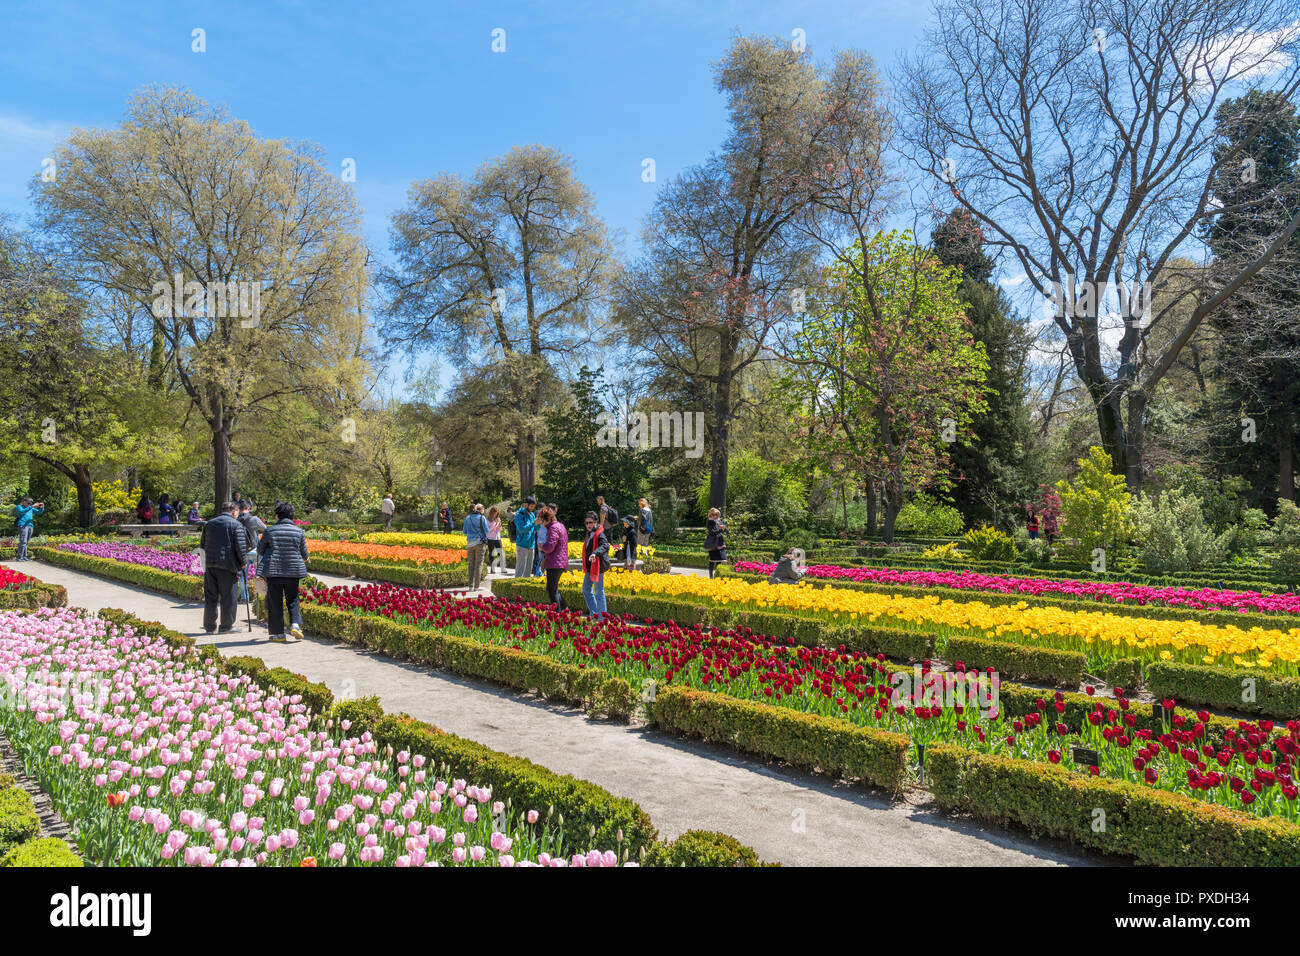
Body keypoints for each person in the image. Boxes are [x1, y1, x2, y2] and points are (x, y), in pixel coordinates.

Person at [257, 501, 310, 643]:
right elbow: (304, 551)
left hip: (274, 571)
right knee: (293, 599)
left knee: (275, 601)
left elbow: (260, 549)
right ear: (292, 516)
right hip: (293, 571)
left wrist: (269, 549)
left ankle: (278, 634)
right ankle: (295, 625)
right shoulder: (298, 531)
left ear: (277, 516)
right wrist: (306, 557)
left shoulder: (270, 531)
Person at [199, 501, 248, 634]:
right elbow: (240, 547)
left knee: (210, 597)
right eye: (237, 512)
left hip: (210, 565)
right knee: (228, 597)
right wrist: (243, 562)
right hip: (227, 565)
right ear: (234, 511)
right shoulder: (236, 524)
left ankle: (209, 627)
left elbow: (202, 545)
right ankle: (226, 626)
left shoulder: (209, 524)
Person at [537, 506, 569, 610]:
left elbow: (550, 547)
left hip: (555, 563)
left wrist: (542, 546)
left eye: (542, 520)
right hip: (559, 562)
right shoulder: (559, 526)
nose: (541, 522)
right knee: (554, 589)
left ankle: (557, 614)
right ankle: (565, 610)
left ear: (548, 519)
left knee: (551, 590)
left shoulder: (553, 528)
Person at [581, 511, 611, 619]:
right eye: (586, 523)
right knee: (586, 590)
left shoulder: (600, 533)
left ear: (596, 522)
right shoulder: (589, 533)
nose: (588, 525)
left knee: (599, 592)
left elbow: (606, 546)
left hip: (598, 568)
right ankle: (595, 614)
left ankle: (602, 619)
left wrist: (595, 553)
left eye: (590, 522)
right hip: (590, 567)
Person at [237, 501, 267, 603]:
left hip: (242, 552)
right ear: (249, 508)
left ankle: (245, 598)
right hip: (255, 550)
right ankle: (261, 598)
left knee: (243, 577)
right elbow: (265, 529)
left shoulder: (236, 520)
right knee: (260, 575)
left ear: (239, 509)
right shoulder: (254, 519)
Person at [463, 503, 490, 591]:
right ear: (479, 509)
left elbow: (464, 531)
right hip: (479, 543)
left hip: (470, 543)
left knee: (471, 564)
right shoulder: (482, 518)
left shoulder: (468, 518)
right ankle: (476, 586)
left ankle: (470, 586)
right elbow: (487, 531)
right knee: (478, 564)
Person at [13, 497, 44, 561]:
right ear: (24, 501)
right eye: (28, 503)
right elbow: (21, 512)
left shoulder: (30, 508)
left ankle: (24, 557)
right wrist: (32, 506)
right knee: (23, 541)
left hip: (30, 526)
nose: (29, 504)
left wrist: (41, 507)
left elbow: (38, 512)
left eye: (30, 503)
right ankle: (19, 557)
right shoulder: (19, 506)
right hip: (23, 525)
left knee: (26, 542)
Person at [513, 496, 537, 577]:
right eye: (531, 506)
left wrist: (540, 523)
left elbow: (535, 529)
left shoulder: (532, 515)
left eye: (534, 507)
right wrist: (533, 523)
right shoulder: (519, 515)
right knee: (520, 570)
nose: (532, 509)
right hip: (522, 545)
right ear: (526, 505)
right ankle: (516, 588)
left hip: (531, 545)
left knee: (528, 571)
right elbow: (521, 529)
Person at [704, 507, 728, 578]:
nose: (716, 516)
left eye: (717, 514)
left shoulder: (719, 521)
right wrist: (721, 529)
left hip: (720, 542)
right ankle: (711, 576)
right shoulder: (710, 522)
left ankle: (717, 576)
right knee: (712, 560)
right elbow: (712, 533)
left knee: (720, 560)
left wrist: (724, 528)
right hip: (712, 543)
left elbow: (726, 530)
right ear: (710, 515)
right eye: (714, 514)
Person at [485, 506, 505, 574]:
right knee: (491, 553)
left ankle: (503, 568)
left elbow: (499, 530)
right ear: (491, 513)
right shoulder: (487, 520)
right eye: (494, 513)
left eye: (497, 514)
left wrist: (499, 524)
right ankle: (492, 569)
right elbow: (488, 531)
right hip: (490, 538)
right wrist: (496, 525)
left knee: (501, 552)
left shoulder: (497, 519)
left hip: (497, 538)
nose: (495, 515)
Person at [534, 503, 550, 578]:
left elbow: (536, 529)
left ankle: (539, 574)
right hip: (542, 542)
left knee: (540, 560)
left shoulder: (539, 518)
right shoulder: (541, 519)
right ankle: (539, 574)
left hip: (541, 541)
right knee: (541, 560)